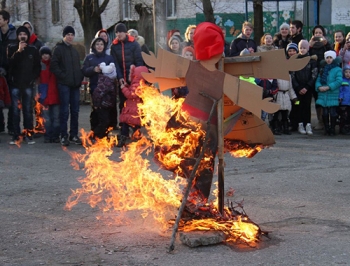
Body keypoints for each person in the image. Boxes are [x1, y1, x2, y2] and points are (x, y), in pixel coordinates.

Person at [50, 25, 84, 146]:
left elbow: (78, 67)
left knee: (75, 110)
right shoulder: (58, 49)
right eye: (68, 34)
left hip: (75, 85)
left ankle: (73, 134)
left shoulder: (74, 51)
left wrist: (79, 78)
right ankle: (63, 135)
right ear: (64, 36)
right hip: (64, 84)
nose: (70, 37)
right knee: (64, 111)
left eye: (72, 34)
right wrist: (63, 76)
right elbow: (53, 65)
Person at [7, 26, 41, 144]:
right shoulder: (11, 48)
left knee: (27, 110)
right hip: (15, 84)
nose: (22, 36)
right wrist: (18, 51)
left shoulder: (33, 50)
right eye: (20, 34)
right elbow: (9, 64)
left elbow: (37, 67)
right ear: (17, 36)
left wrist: (32, 79)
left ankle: (28, 134)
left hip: (27, 85)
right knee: (15, 111)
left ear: (28, 36)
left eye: (25, 34)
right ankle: (16, 135)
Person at [82, 37, 117, 139]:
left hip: (107, 90)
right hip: (94, 87)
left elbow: (114, 71)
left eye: (101, 44)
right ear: (94, 46)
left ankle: (102, 134)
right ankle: (94, 132)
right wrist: (94, 69)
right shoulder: (89, 58)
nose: (99, 46)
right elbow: (84, 70)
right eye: (97, 44)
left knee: (105, 112)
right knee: (95, 112)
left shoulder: (108, 58)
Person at [110, 22, 144, 128]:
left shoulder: (134, 44)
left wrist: (135, 79)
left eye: (120, 32)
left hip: (134, 80)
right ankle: (124, 131)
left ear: (125, 32)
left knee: (135, 105)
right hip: (122, 81)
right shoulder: (114, 46)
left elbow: (139, 62)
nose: (119, 34)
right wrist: (120, 78)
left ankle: (136, 130)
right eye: (117, 32)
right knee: (123, 105)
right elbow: (115, 64)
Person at [290, 40, 318, 135]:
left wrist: (307, 87)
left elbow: (314, 75)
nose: (302, 50)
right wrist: (298, 87)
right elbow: (292, 75)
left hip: (308, 89)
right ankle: (300, 124)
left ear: (308, 48)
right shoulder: (295, 60)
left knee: (307, 106)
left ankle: (308, 124)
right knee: (298, 105)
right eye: (301, 48)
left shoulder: (312, 61)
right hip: (298, 89)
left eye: (304, 48)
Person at [309, 25, 333, 130]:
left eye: (320, 33)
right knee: (317, 99)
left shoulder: (327, 44)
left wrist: (326, 44)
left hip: (325, 74)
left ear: (323, 34)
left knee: (326, 97)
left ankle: (327, 122)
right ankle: (320, 121)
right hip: (314, 74)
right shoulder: (310, 45)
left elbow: (332, 55)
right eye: (316, 33)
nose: (318, 35)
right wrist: (309, 46)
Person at [118, 65, 148, 147]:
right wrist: (127, 86)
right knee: (135, 126)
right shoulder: (139, 84)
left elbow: (130, 95)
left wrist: (123, 88)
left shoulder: (137, 85)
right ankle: (138, 138)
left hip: (131, 111)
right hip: (136, 111)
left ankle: (122, 140)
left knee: (125, 125)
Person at [315, 50, 342, 136]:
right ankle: (327, 128)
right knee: (325, 112)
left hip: (332, 93)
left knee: (333, 113)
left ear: (333, 58)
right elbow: (318, 80)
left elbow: (339, 81)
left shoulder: (337, 69)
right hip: (323, 94)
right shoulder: (323, 69)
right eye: (327, 58)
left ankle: (333, 128)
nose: (329, 59)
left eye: (330, 58)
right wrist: (319, 87)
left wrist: (329, 87)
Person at [38, 46, 60, 143]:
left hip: (55, 95)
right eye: (43, 54)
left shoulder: (54, 66)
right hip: (44, 96)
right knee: (47, 118)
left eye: (47, 54)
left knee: (56, 117)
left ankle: (55, 136)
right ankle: (48, 135)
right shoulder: (39, 66)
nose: (45, 56)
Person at [91, 62, 117, 140]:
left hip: (106, 105)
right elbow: (97, 93)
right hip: (102, 106)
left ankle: (103, 136)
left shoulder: (107, 82)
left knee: (106, 121)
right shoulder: (107, 83)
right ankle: (95, 135)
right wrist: (97, 104)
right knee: (104, 121)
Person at [0, 10, 17, 134]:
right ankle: (1, 126)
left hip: (12, 72)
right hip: (0, 71)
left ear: (6, 20)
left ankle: (12, 127)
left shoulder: (14, 34)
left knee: (12, 100)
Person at [286, 42, 300, 132]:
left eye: (293, 50)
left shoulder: (299, 61)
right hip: (290, 88)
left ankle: (297, 123)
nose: (291, 52)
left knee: (297, 105)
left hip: (299, 88)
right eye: (290, 51)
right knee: (290, 107)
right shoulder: (286, 62)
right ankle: (290, 123)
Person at [338, 64, 350, 134]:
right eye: (346, 72)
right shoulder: (342, 81)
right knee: (344, 116)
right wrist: (340, 97)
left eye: (349, 72)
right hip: (344, 101)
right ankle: (343, 128)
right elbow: (341, 90)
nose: (348, 74)